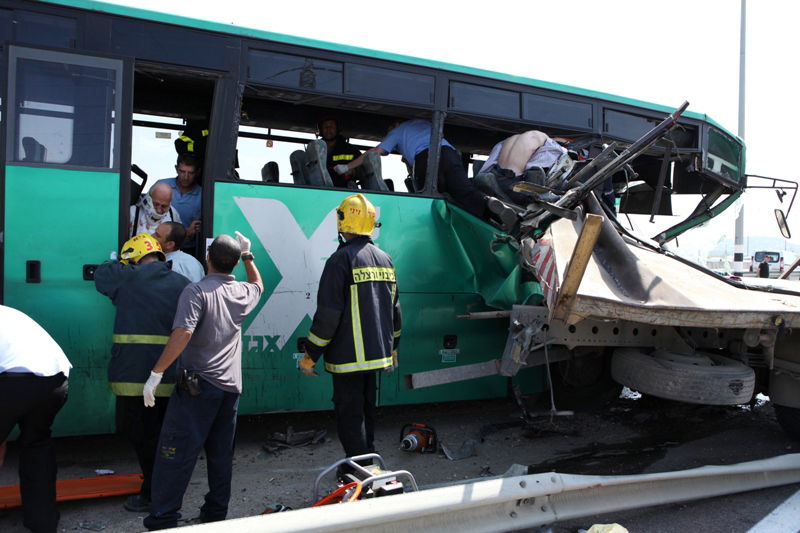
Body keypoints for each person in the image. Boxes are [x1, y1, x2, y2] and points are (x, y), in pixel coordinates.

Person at [143, 232, 263, 530]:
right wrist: (248, 256)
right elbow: (259, 285)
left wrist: (156, 372)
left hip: (198, 387)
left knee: (176, 453)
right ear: (234, 263)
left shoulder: (196, 292)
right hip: (230, 389)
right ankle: (215, 515)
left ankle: (164, 518)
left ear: (207, 259)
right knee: (221, 455)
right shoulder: (243, 293)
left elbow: (183, 332)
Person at [299, 194, 401, 465]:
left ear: (344, 222)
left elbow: (328, 316)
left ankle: (357, 468)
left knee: (349, 413)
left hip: (347, 358)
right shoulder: (385, 259)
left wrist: (311, 355)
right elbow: (395, 310)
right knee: (368, 410)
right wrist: (393, 349)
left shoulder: (339, 260)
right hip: (376, 354)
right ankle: (369, 458)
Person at [94, 233, 191, 513]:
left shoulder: (126, 277)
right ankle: (164, 487)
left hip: (133, 379)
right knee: (164, 436)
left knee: (142, 437)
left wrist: (117, 260)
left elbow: (101, 273)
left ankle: (152, 494)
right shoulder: (182, 283)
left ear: (132, 258)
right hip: (169, 377)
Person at [334, 119, 517, 229]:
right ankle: (491, 207)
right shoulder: (423, 123)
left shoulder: (397, 131)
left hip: (426, 159)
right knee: (464, 192)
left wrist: (347, 167)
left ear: (393, 126)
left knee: (429, 199)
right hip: (449, 153)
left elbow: (376, 151)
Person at [0, 305, 71, 533]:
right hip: (55, 381)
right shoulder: (10, 313)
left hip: (13, 382)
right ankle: (43, 523)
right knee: (37, 445)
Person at [156, 153, 202, 254]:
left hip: (188, 248)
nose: (186, 177)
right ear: (176, 169)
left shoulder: (203, 195)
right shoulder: (161, 186)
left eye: (190, 173)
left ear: (197, 172)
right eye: (182, 171)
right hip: (159, 247)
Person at [318, 116, 362, 188]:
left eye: (331, 127)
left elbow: (363, 171)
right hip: (319, 188)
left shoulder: (351, 150)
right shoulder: (315, 150)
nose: (328, 129)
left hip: (345, 190)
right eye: (325, 127)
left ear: (337, 129)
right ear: (321, 130)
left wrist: (352, 171)